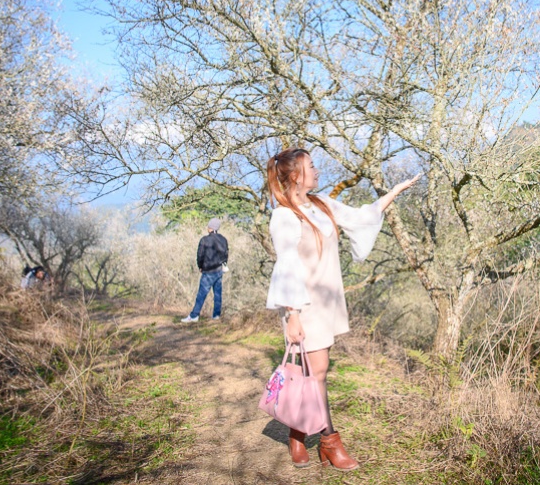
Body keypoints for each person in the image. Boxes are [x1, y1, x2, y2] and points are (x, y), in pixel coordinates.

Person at [265, 148, 419, 470]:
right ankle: (329, 442)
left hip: (327, 302)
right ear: (295, 175)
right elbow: (287, 266)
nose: (317, 170)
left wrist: (393, 192)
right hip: (303, 304)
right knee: (317, 371)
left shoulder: (321, 204)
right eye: (311, 166)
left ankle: (296, 433)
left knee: (314, 372)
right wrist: (292, 313)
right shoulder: (284, 216)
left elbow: (360, 217)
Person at [179, 217, 229, 323]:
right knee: (218, 294)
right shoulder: (223, 239)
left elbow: (200, 255)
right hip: (219, 270)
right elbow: (225, 254)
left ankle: (194, 316)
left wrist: (200, 266)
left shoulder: (205, 240)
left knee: (201, 294)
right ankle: (216, 315)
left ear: (210, 227)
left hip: (208, 271)